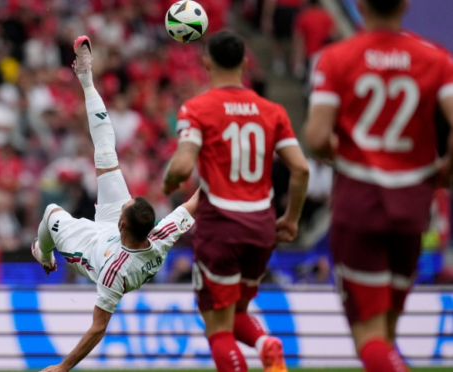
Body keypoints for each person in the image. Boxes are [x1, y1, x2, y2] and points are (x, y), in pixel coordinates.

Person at [32, 36, 198, 372]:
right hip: (118, 239)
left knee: (51, 214)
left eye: (127, 206)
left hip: (93, 251)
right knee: (107, 153)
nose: (127, 201)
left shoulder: (112, 274)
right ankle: (86, 79)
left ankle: (44, 254)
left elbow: (98, 328)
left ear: (124, 220)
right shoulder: (161, 234)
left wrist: (62, 368)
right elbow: (197, 202)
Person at [303, 0, 453, 371]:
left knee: (368, 334)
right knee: (386, 330)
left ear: (359, 6)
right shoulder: (436, 59)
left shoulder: (337, 58)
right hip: (413, 205)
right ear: (405, 5)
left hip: (360, 203)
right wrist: (445, 169)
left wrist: (351, 155)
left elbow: (318, 136)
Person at [162, 30, 310, 372]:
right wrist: (291, 219)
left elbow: (183, 164)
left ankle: (255, 351)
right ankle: (265, 343)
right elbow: (301, 169)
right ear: (245, 63)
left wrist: (170, 181)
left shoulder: (196, 108)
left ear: (206, 62)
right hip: (261, 227)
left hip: (222, 227)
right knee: (237, 311)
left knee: (217, 326)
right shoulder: (272, 110)